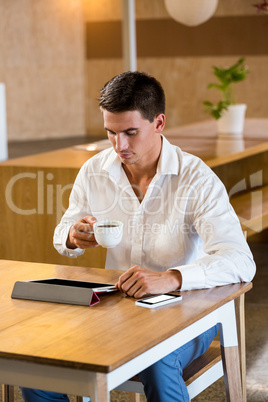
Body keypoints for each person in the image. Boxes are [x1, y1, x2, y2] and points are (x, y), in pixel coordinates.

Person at [20, 71, 255, 402]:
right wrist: (74, 235)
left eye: (130, 133)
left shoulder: (197, 179)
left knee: (157, 362)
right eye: (111, 133)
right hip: (118, 310)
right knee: (38, 367)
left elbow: (241, 261)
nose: (120, 145)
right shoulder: (94, 171)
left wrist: (171, 278)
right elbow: (63, 231)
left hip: (189, 310)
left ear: (159, 123)